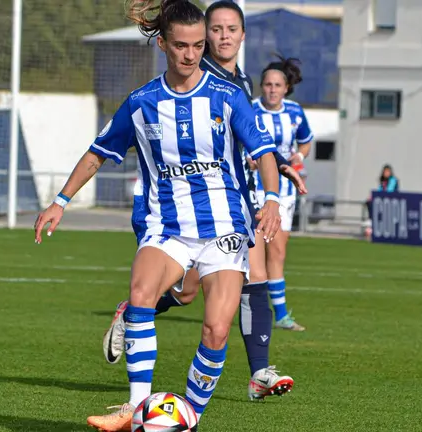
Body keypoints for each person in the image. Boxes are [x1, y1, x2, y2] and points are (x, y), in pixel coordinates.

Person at [33, 0, 285, 429]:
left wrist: (272, 199)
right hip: (166, 225)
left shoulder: (228, 97)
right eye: (182, 45)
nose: (191, 55)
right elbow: (98, 153)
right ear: (163, 44)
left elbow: (263, 154)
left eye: (199, 45)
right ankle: (135, 408)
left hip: (224, 226)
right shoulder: (142, 102)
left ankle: (188, 418)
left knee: (216, 331)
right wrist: (61, 201)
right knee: (141, 292)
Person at [102, 0, 304, 403]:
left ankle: (258, 372)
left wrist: (275, 168)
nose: (224, 36)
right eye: (217, 29)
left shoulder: (241, 84)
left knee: (255, 275)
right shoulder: (196, 75)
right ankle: (134, 315)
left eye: (232, 29)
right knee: (187, 292)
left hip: (232, 202)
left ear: (243, 35)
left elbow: (251, 136)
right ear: (202, 36)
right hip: (182, 206)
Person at [248, 55, 314, 332]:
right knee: (252, 252)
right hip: (252, 190)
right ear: (261, 87)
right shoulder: (249, 109)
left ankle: (282, 315)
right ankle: (246, 308)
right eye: (267, 84)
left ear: (286, 88)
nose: (272, 89)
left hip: (284, 193)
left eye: (277, 85)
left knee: (277, 251)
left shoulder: (295, 112)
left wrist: (299, 155)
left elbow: (307, 141)